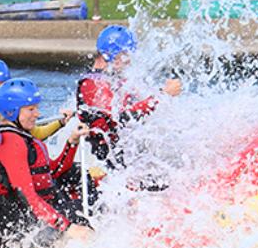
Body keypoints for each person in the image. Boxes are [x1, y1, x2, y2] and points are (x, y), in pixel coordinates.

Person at [0, 78, 92, 248]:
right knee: (78, 221)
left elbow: (52, 172)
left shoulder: (19, 135)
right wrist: (66, 227)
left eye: (36, 108)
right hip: (15, 223)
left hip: (30, 214)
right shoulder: (10, 141)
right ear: (12, 111)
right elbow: (25, 195)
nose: (37, 114)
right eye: (31, 109)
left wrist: (72, 142)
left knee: (79, 208)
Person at [76, 25, 182, 169]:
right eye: (127, 56)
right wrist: (161, 95)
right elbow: (120, 118)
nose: (129, 61)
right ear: (113, 56)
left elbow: (138, 103)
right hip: (105, 163)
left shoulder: (115, 79)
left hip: (124, 154)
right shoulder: (93, 84)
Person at [0, 58, 74, 150]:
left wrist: (60, 122)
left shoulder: (14, 110)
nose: (0, 89)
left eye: (4, 84)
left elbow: (36, 133)